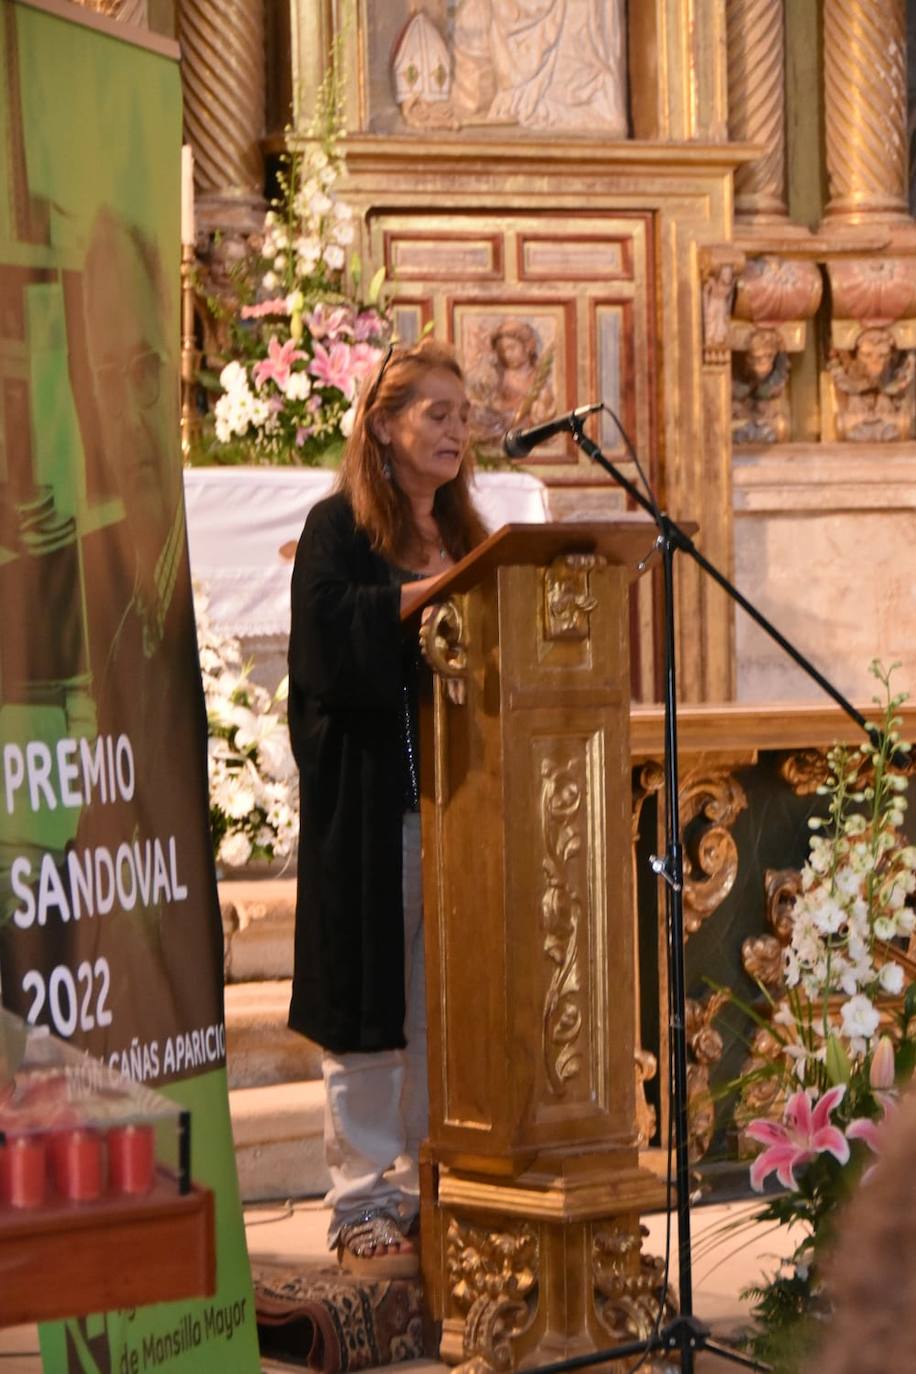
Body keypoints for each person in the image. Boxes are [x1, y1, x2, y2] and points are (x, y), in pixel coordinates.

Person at [287, 339, 488, 1276]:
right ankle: (363, 1200)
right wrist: (420, 597)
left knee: (440, 1007)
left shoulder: (476, 536)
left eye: (462, 412)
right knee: (370, 1004)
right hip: (374, 815)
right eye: (435, 413)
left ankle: (436, 1187)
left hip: (468, 813)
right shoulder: (339, 530)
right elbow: (328, 642)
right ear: (384, 426)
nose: (456, 429)